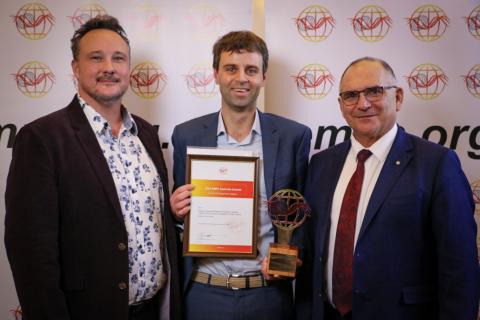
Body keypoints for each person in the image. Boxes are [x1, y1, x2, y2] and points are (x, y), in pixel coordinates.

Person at [4, 15, 182, 320]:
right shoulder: (42, 138)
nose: (109, 67)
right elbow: (32, 252)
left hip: (153, 310)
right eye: (96, 58)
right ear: (75, 68)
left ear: (128, 68)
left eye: (118, 58)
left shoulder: (147, 134)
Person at [296, 57, 480, 320]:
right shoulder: (321, 164)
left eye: (374, 91)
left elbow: (459, 268)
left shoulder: (437, 164)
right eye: (351, 95)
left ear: (399, 97)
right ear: (341, 106)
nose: (363, 104)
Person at [170, 30, 311, 319]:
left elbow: (303, 217)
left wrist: (287, 260)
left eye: (251, 70)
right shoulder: (186, 135)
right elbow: (179, 218)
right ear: (216, 74)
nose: (241, 78)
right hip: (204, 293)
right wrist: (174, 211)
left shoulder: (293, 136)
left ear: (263, 77)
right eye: (231, 68)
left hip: (268, 293)